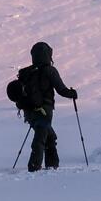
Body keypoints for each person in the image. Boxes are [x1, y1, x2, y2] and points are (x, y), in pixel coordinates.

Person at [17, 41, 79, 172]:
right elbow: (61, 90)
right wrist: (72, 93)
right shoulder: (49, 70)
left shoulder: (29, 72)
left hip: (29, 112)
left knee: (49, 136)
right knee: (41, 138)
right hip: (44, 110)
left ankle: (52, 166)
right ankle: (34, 167)